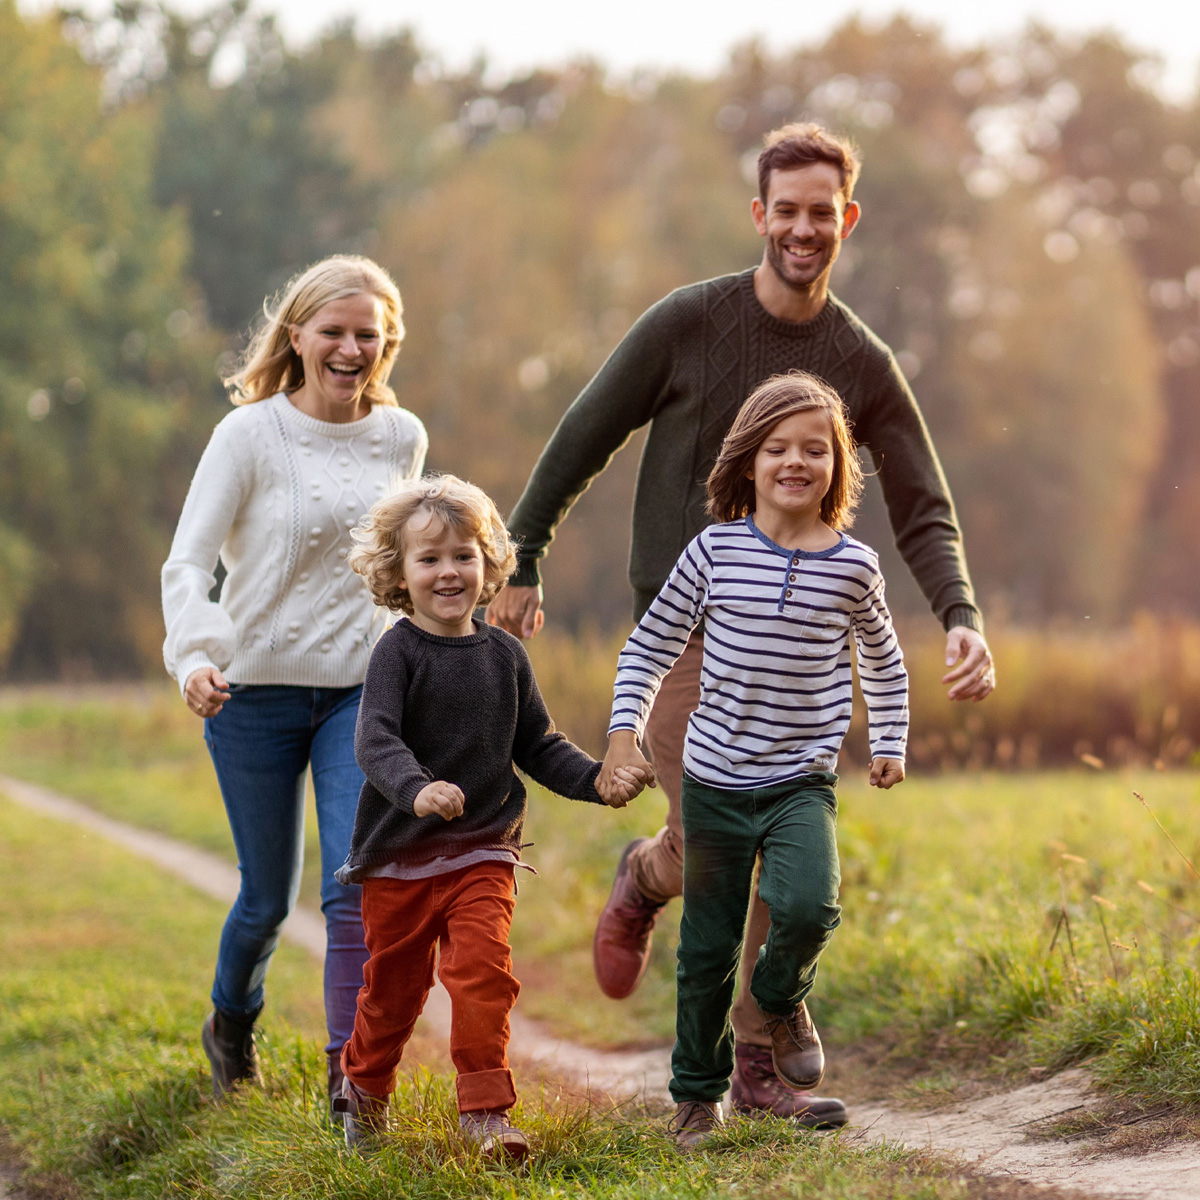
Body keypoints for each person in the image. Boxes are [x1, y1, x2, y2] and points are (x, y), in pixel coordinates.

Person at [488, 121, 993, 1126]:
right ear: (760, 214)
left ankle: (750, 1041)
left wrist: (960, 615)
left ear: (847, 221)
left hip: (802, 645)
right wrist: (525, 552)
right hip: (688, 630)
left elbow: (920, 500)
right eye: (787, 211)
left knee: (782, 843)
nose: (804, 230)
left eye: (824, 214)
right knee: (722, 840)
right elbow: (585, 430)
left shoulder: (859, 359)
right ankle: (672, 915)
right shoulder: (688, 322)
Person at [602, 372, 907, 1149]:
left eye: (815, 449)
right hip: (713, 782)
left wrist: (890, 741)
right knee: (707, 946)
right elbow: (650, 646)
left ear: (838, 465)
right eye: (777, 448)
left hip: (802, 779)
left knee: (809, 906)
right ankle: (697, 1098)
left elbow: (884, 660)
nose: (794, 462)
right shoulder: (714, 551)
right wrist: (622, 732)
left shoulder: (854, 567)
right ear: (748, 461)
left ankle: (778, 1002)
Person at [161, 255, 428, 1111]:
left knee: (352, 885)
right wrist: (196, 656)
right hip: (252, 693)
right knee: (266, 901)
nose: (350, 349)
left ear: (385, 345)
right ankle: (230, 1023)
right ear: (299, 336)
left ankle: (351, 1080)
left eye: (367, 336)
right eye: (334, 332)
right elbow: (190, 560)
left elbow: (406, 561)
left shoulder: (401, 437)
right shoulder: (248, 434)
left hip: (361, 688)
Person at [330, 475, 647, 1158]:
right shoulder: (397, 652)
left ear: (490, 563)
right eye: (430, 559)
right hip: (400, 857)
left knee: (484, 973)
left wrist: (599, 780)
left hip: (482, 851)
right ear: (398, 573)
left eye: (464, 555)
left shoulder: (505, 655)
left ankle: (484, 1114)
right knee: (393, 995)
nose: (449, 572)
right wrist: (416, 789)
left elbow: (537, 745)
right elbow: (374, 740)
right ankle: (362, 1089)